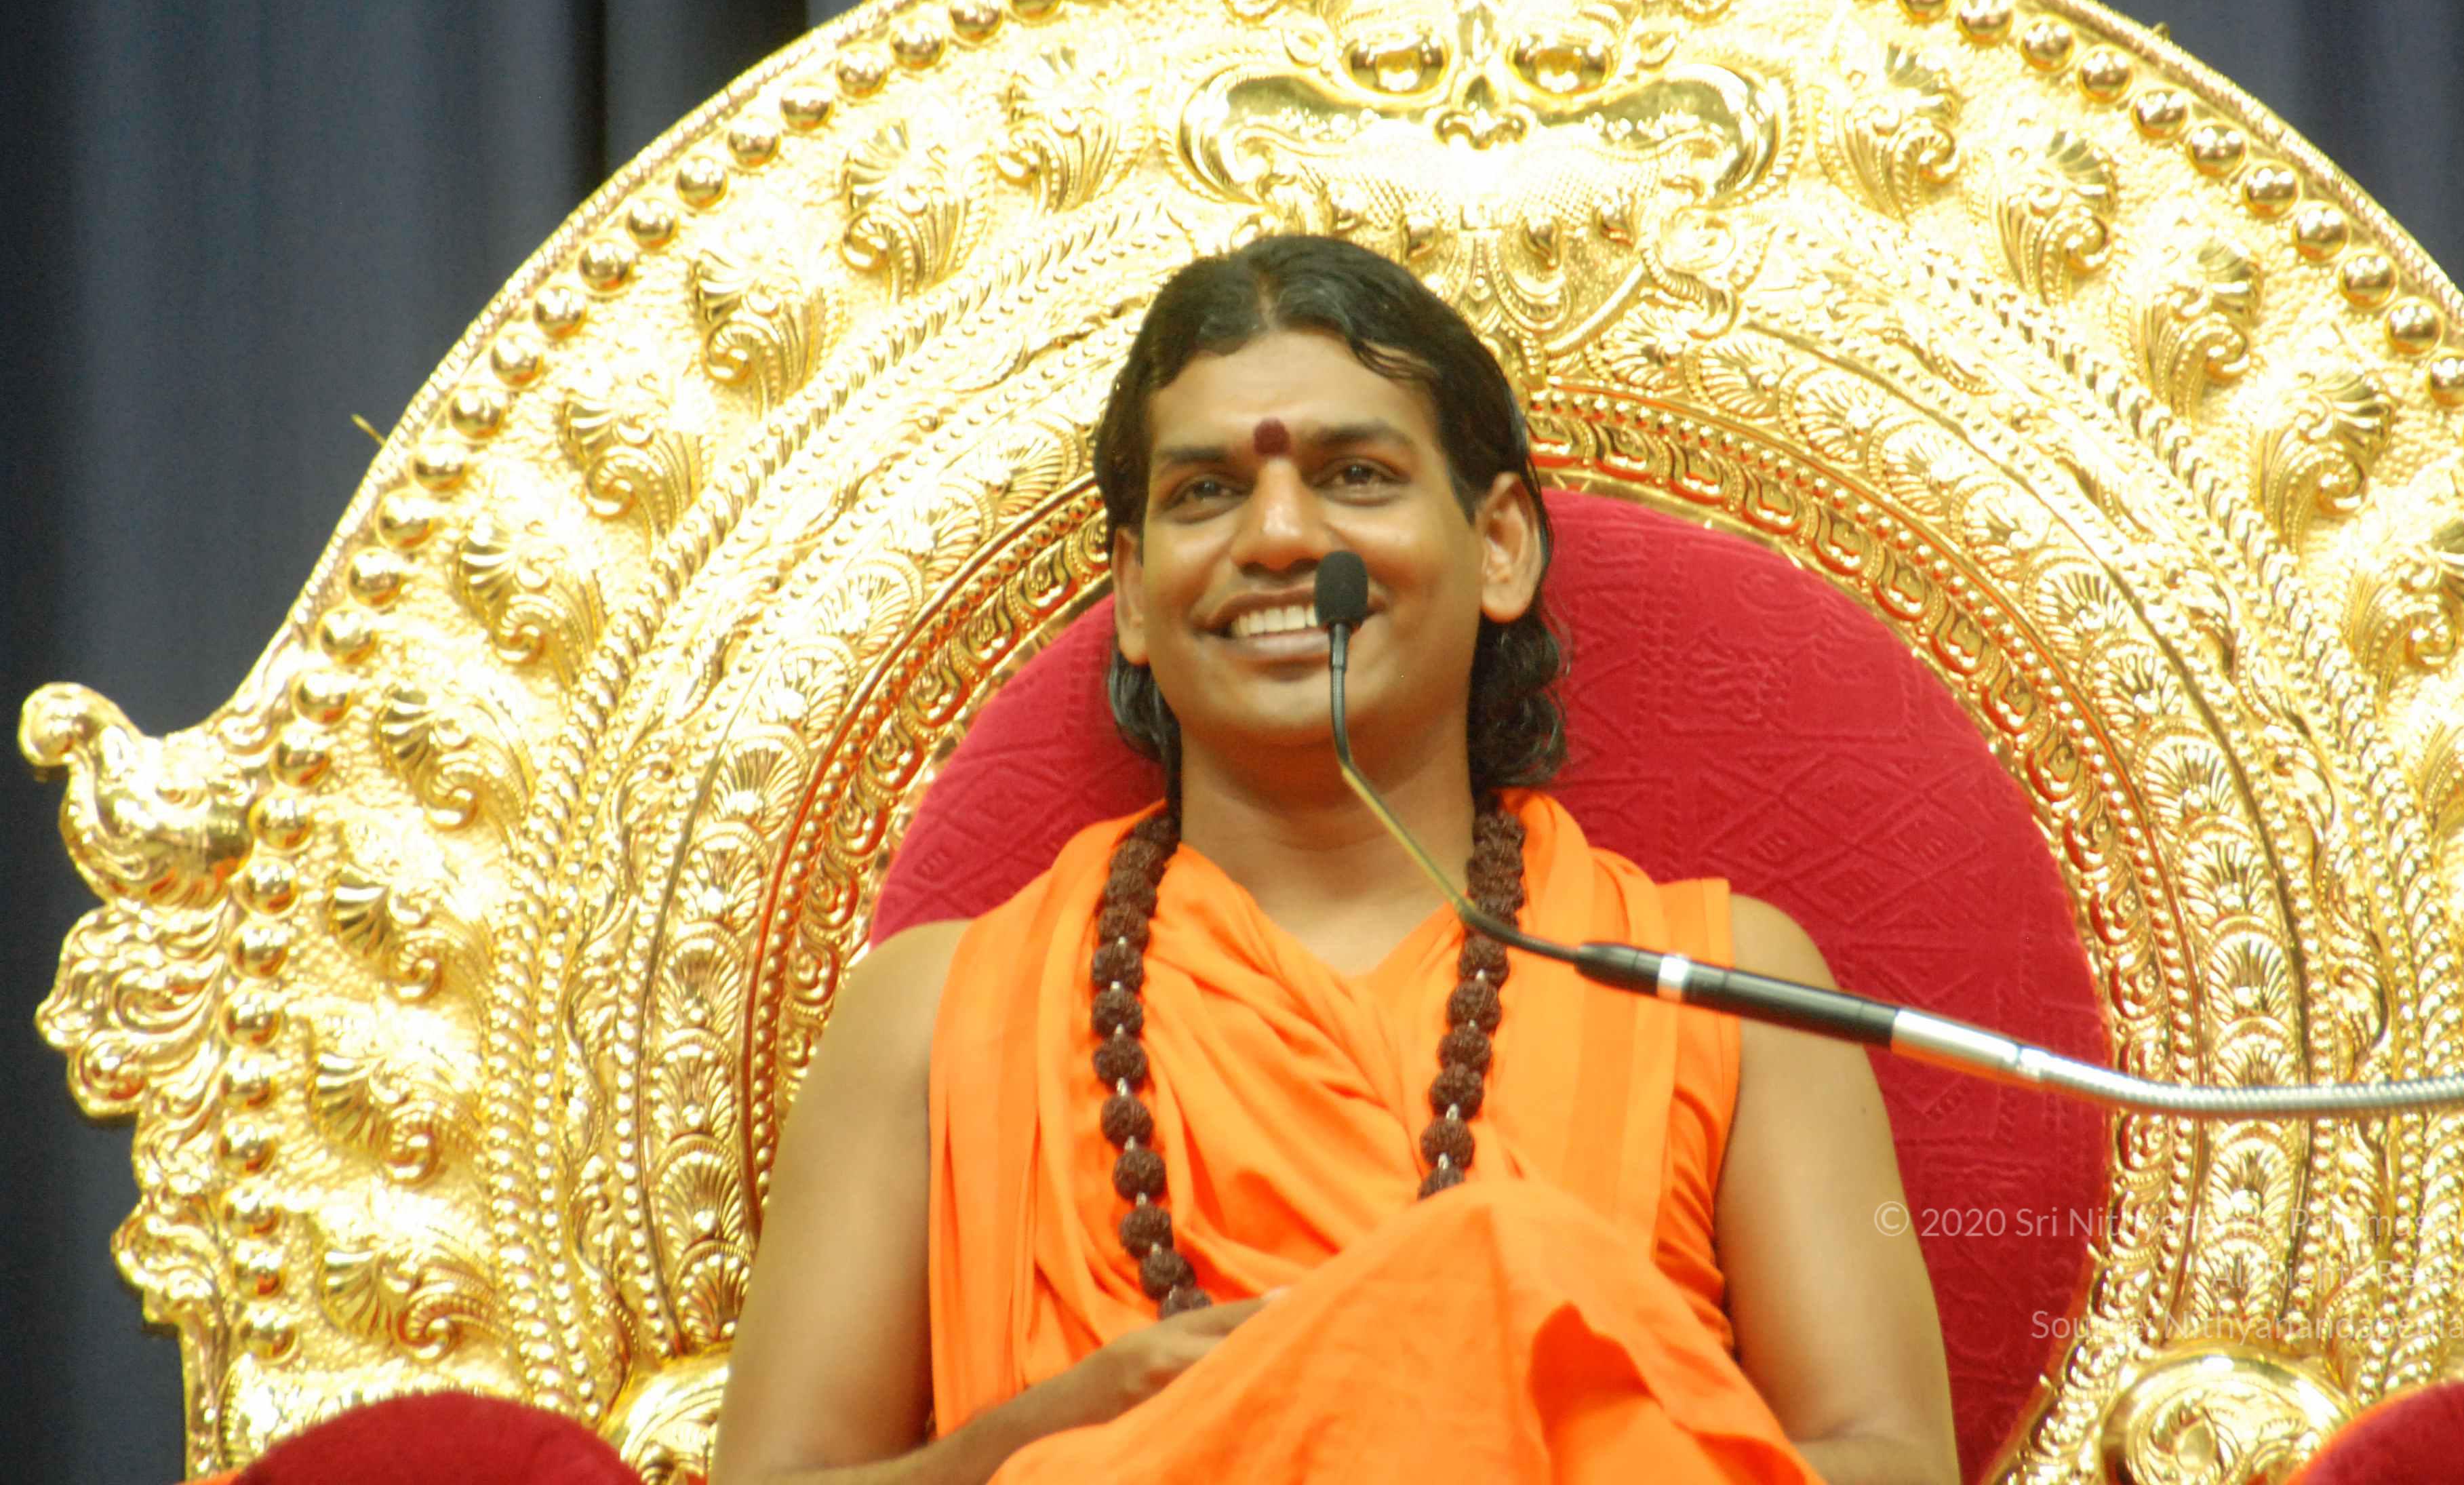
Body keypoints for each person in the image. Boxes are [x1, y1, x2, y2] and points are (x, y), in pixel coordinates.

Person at [711, 235, 1958, 1485]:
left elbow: (1894, 1461)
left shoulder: (1721, 987)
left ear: (1501, 546)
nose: (1277, 536)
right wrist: (1045, 1442)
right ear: (1135, 595)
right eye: (1205, 492)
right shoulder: (936, 1014)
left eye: (1355, 475)